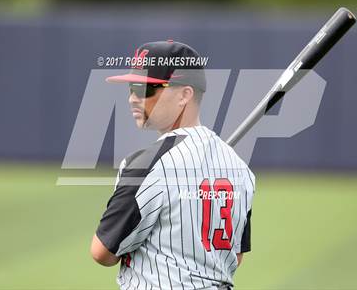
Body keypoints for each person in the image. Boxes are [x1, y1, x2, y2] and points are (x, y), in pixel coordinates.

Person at [90, 40, 255, 290]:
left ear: (184, 95)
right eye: (131, 88)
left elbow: (102, 252)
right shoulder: (240, 168)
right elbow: (236, 257)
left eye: (145, 89)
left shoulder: (147, 163)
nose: (133, 98)